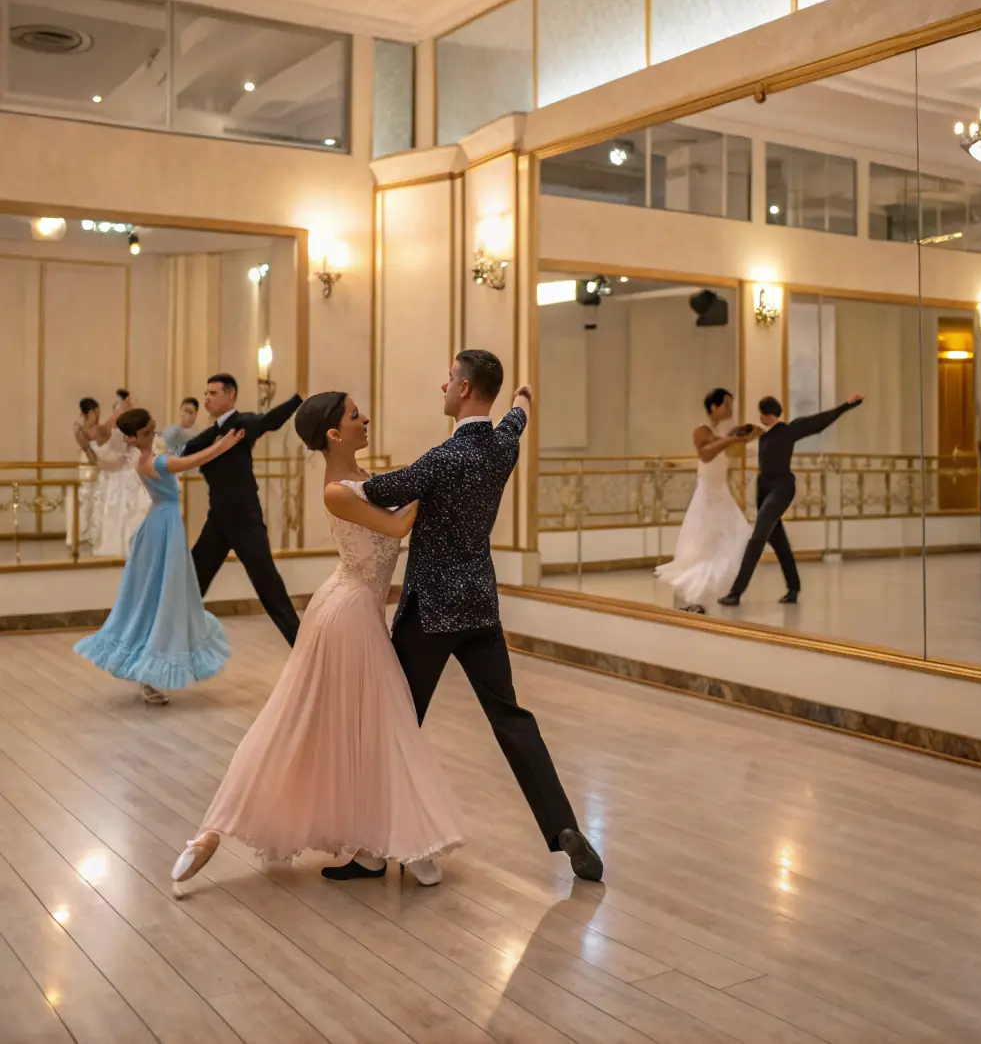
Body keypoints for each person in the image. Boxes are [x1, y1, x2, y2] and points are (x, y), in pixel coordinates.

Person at [171, 391, 463, 889]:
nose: (365, 418)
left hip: (356, 609)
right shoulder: (337, 490)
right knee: (337, 720)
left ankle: (375, 847)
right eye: (355, 415)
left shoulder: (365, 481)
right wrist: (438, 475)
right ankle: (212, 833)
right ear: (333, 433)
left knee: (359, 726)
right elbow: (396, 524)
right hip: (348, 617)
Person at [361, 349, 603, 883]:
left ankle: (381, 842)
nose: (442, 387)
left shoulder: (443, 459)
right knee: (512, 718)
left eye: (448, 379)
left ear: (466, 389)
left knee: (398, 722)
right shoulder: (503, 444)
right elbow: (521, 410)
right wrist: (521, 397)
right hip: (480, 607)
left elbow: (379, 491)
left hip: (432, 613)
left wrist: (344, 477)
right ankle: (564, 829)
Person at [74, 407, 239, 705]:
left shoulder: (143, 457)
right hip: (162, 529)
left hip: (162, 524)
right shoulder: (150, 461)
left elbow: (186, 454)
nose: (153, 435)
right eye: (147, 432)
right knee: (159, 597)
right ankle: (148, 671)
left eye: (153, 429)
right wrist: (222, 446)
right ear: (133, 437)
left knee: (161, 597)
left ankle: (147, 669)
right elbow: (191, 461)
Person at [183, 374, 303, 646]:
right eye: (206, 393)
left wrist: (298, 398)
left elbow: (270, 421)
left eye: (213, 393)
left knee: (268, 585)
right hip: (218, 519)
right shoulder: (210, 436)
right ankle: (163, 652)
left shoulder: (243, 423)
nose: (207, 399)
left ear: (230, 396)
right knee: (192, 583)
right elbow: (185, 453)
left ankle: (304, 649)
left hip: (244, 518)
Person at [718, 392, 864, 607]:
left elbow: (819, 422)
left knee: (758, 536)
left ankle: (735, 592)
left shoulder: (789, 430)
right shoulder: (761, 434)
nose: (760, 418)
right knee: (778, 541)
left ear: (769, 415)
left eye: (763, 414)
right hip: (764, 489)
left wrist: (847, 405)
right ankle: (793, 588)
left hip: (782, 488)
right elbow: (733, 447)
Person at [655, 387, 759, 614]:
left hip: (721, 494)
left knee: (737, 537)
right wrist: (730, 438)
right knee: (701, 545)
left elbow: (725, 453)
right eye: (727, 404)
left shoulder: (718, 432)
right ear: (715, 406)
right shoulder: (701, 430)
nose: (731, 408)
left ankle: (712, 593)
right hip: (708, 496)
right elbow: (706, 454)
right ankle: (691, 597)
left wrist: (740, 438)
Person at [92, 389, 151, 558]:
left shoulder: (134, 429)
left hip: (135, 477)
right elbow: (102, 435)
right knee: (121, 514)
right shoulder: (117, 433)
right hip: (122, 478)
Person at [67, 396, 101, 551]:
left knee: (95, 501)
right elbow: (88, 451)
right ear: (92, 412)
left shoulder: (98, 429)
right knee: (84, 499)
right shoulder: (80, 428)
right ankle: (82, 534)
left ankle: (93, 534)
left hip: (97, 467)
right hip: (87, 467)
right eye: (96, 412)